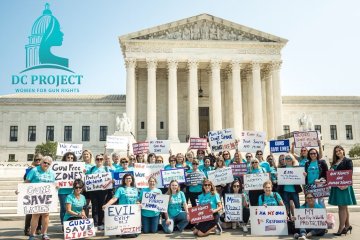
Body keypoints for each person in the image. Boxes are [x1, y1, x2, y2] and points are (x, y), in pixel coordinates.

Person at [328, 145, 357, 236]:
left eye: (339, 150)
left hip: (344, 186)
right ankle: (347, 226)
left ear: (343, 151)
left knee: (342, 207)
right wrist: (331, 170)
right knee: (344, 207)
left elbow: (350, 173)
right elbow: (332, 174)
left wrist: (346, 184)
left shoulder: (348, 160)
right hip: (336, 186)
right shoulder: (334, 162)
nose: (338, 152)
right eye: (336, 151)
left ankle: (341, 228)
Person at [26, 156, 55, 240]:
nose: (46, 164)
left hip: (46, 197)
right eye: (44, 162)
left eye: (48, 163)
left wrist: (56, 186)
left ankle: (44, 234)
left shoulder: (52, 173)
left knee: (46, 215)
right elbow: (27, 181)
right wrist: (19, 189)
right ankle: (32, 235)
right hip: (36, 196)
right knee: (35, 215)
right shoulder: (34, 170)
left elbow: (53, 183)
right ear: (41, 162)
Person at [87, 154, 110, 230]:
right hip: (93, 191)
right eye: (98, 159)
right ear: (95, 160)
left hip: (104, 191)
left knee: (102, 206)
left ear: (103, 160)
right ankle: (95, 223)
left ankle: (101, 223)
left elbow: (110, 179)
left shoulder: (106, 168)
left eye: (101, 159)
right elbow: (87, 178)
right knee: (95, 207)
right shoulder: (91, 169)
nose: (99, 160)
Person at [23, 154, 43, 236]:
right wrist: (30, 170)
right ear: (34, 161)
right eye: (36, 159)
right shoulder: (30, 169)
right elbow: (25, 179)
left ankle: (38, 228)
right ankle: (27, 228)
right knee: (29, 212)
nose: (38, 161)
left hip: (42, 193)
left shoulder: (45, 169)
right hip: (32, 193)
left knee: (41, 211)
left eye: (39, 159)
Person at [58, 152, 78, 226]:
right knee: (64, 209)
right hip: (62, 192)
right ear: (65, 158)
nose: (70, 159)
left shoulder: (76, 167)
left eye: (72, 158)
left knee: (71, 209)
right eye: (68, 157)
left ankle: (70, 225)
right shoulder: (59, 167)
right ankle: (63, 225)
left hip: (72, 192)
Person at [80, 150, 93, 217]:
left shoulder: (93, 165)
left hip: (91, 187)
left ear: (90, 155)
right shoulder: (79, 164)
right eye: (84, 154)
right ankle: (84, 219)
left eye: (87, 154)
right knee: (84, 204)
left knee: (89, 205)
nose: (85, 155)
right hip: (82, 188)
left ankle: (87, 219)